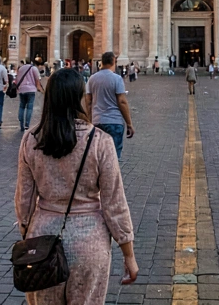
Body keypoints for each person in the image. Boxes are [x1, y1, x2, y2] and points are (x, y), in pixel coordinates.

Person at [17, 68, 138, 303]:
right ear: (80, 98)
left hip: (43, 239)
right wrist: (128, 253)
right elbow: (114, 203)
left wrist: (29, 234)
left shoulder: (31, 139)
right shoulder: (100, 141)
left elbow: (24, 201)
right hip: (89, 242)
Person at [85, 52, 134, 160]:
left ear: (102, 62)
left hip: (97, 121)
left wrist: (89, 120)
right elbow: (122, 102)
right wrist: (129, 123)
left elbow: (88, 102)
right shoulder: (117, 79)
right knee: (113, 158)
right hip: (114, 122)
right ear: (113, 62)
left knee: (97, 156)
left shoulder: (92, 79)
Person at [13, 58, 43, 131]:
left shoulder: (20, 69)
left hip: (22, 89)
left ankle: (21, 124)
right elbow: (37, 79)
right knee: (29, 107)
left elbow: (17, 79)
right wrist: (40, 88)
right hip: (31, 89)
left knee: (22, 106)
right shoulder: (34, 68)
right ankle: (27, 124)